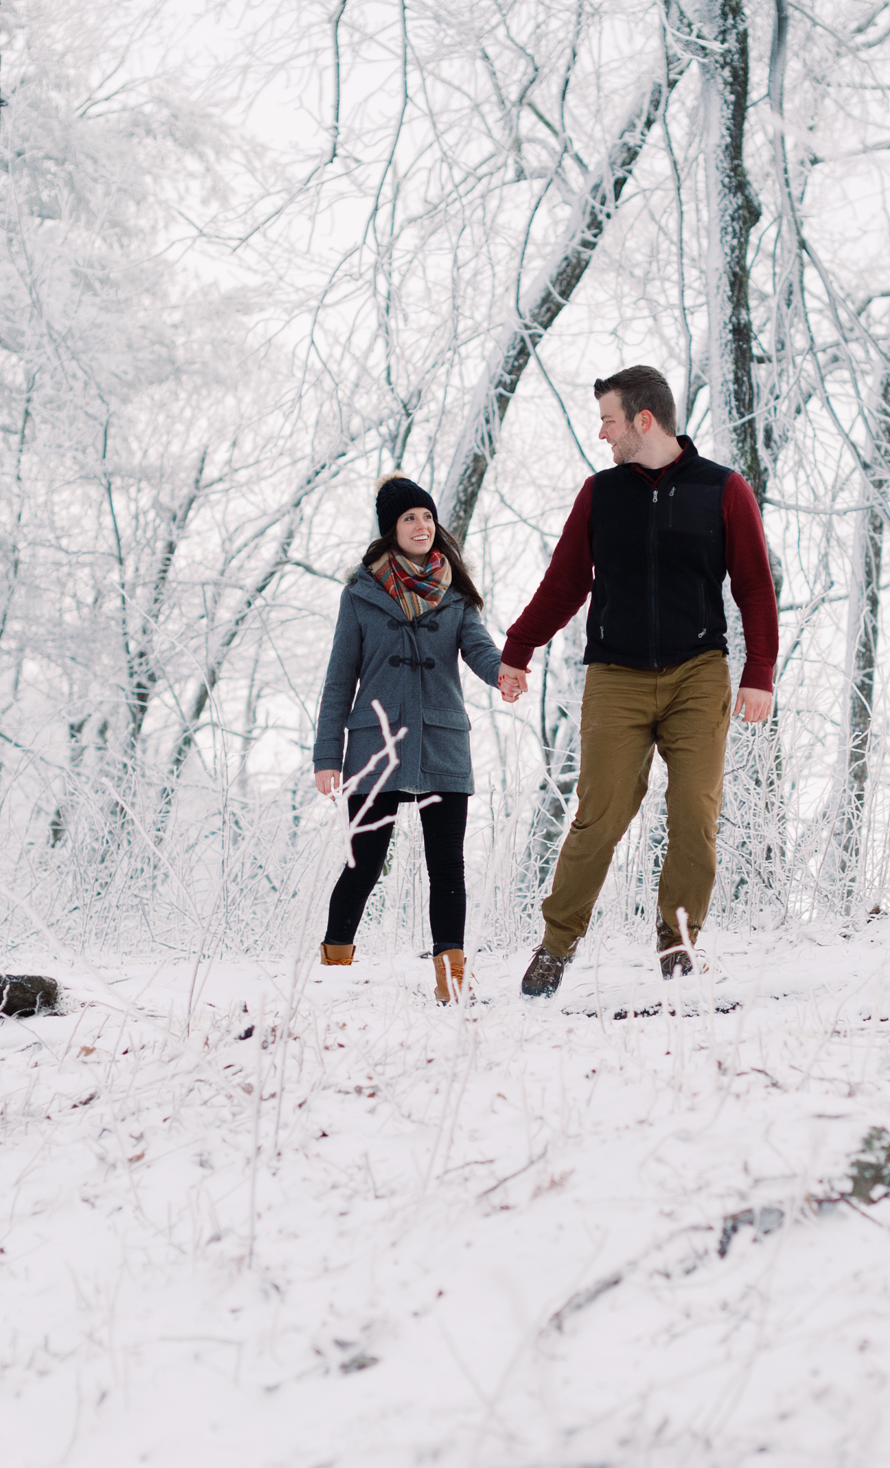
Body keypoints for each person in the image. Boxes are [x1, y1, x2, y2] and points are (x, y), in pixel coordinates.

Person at [496, 365, 778, 996]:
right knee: (599, 814)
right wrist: (518, 646)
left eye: (608, 420)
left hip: (698, 675)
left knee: (694, 816)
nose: (602, 433)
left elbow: (755, 585)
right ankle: (555, 948)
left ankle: (677, 950)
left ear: (643, 420)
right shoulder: (602, 495)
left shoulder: (723, 490)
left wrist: (759, 672)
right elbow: (567, 582)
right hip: (615, 679)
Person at [314, 475, 513, 1003]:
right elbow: (339, 680)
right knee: (365, 862)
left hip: (442, 741)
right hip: (374, 746)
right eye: (410, 518)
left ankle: (451, 979)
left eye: (426, 516)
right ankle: (332, 968)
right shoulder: (360, 595)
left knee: (447, 863)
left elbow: (479, 650)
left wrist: (504, 674)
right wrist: (326, 757)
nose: (422, 526)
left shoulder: (456, 594)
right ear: (391, 530)